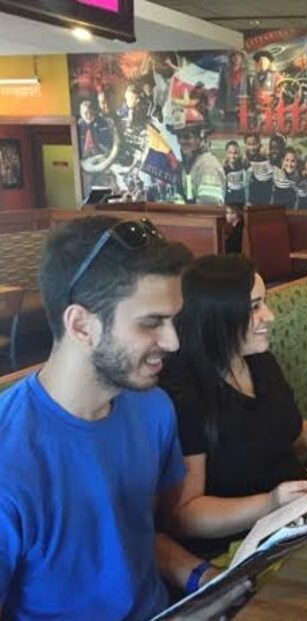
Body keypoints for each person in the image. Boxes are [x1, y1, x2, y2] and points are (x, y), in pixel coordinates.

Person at [0, 216, 244, 619]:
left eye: (174, 320)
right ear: (81, 325)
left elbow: (135, 538)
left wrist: (203, 579)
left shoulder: (153, 408)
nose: (173, 342)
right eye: (151, 323)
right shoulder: (11, 459)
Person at [159, 255, 307, 558]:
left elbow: (288, 431)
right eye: (254, 307)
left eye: (264, 302)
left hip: (297, 519)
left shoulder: (259, 360)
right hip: (242, 549)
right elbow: (184, 515)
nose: (269, 316)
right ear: (218, 316)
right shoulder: (186, 395)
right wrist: (270, 504)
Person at [173, 122, 225, 205]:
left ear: (200, 138)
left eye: (187, 137)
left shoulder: (208, 165)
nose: (182, 141)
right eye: (179, 137)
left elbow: (208, 207)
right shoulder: (189, 165)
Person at [223, 140, 247, 206]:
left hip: (241, 199)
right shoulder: (224, 168)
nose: (232, 156)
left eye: (235, 153)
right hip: (229, 200)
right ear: (226, 153)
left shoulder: (243, 164)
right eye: (230, 153)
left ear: (239, 153)